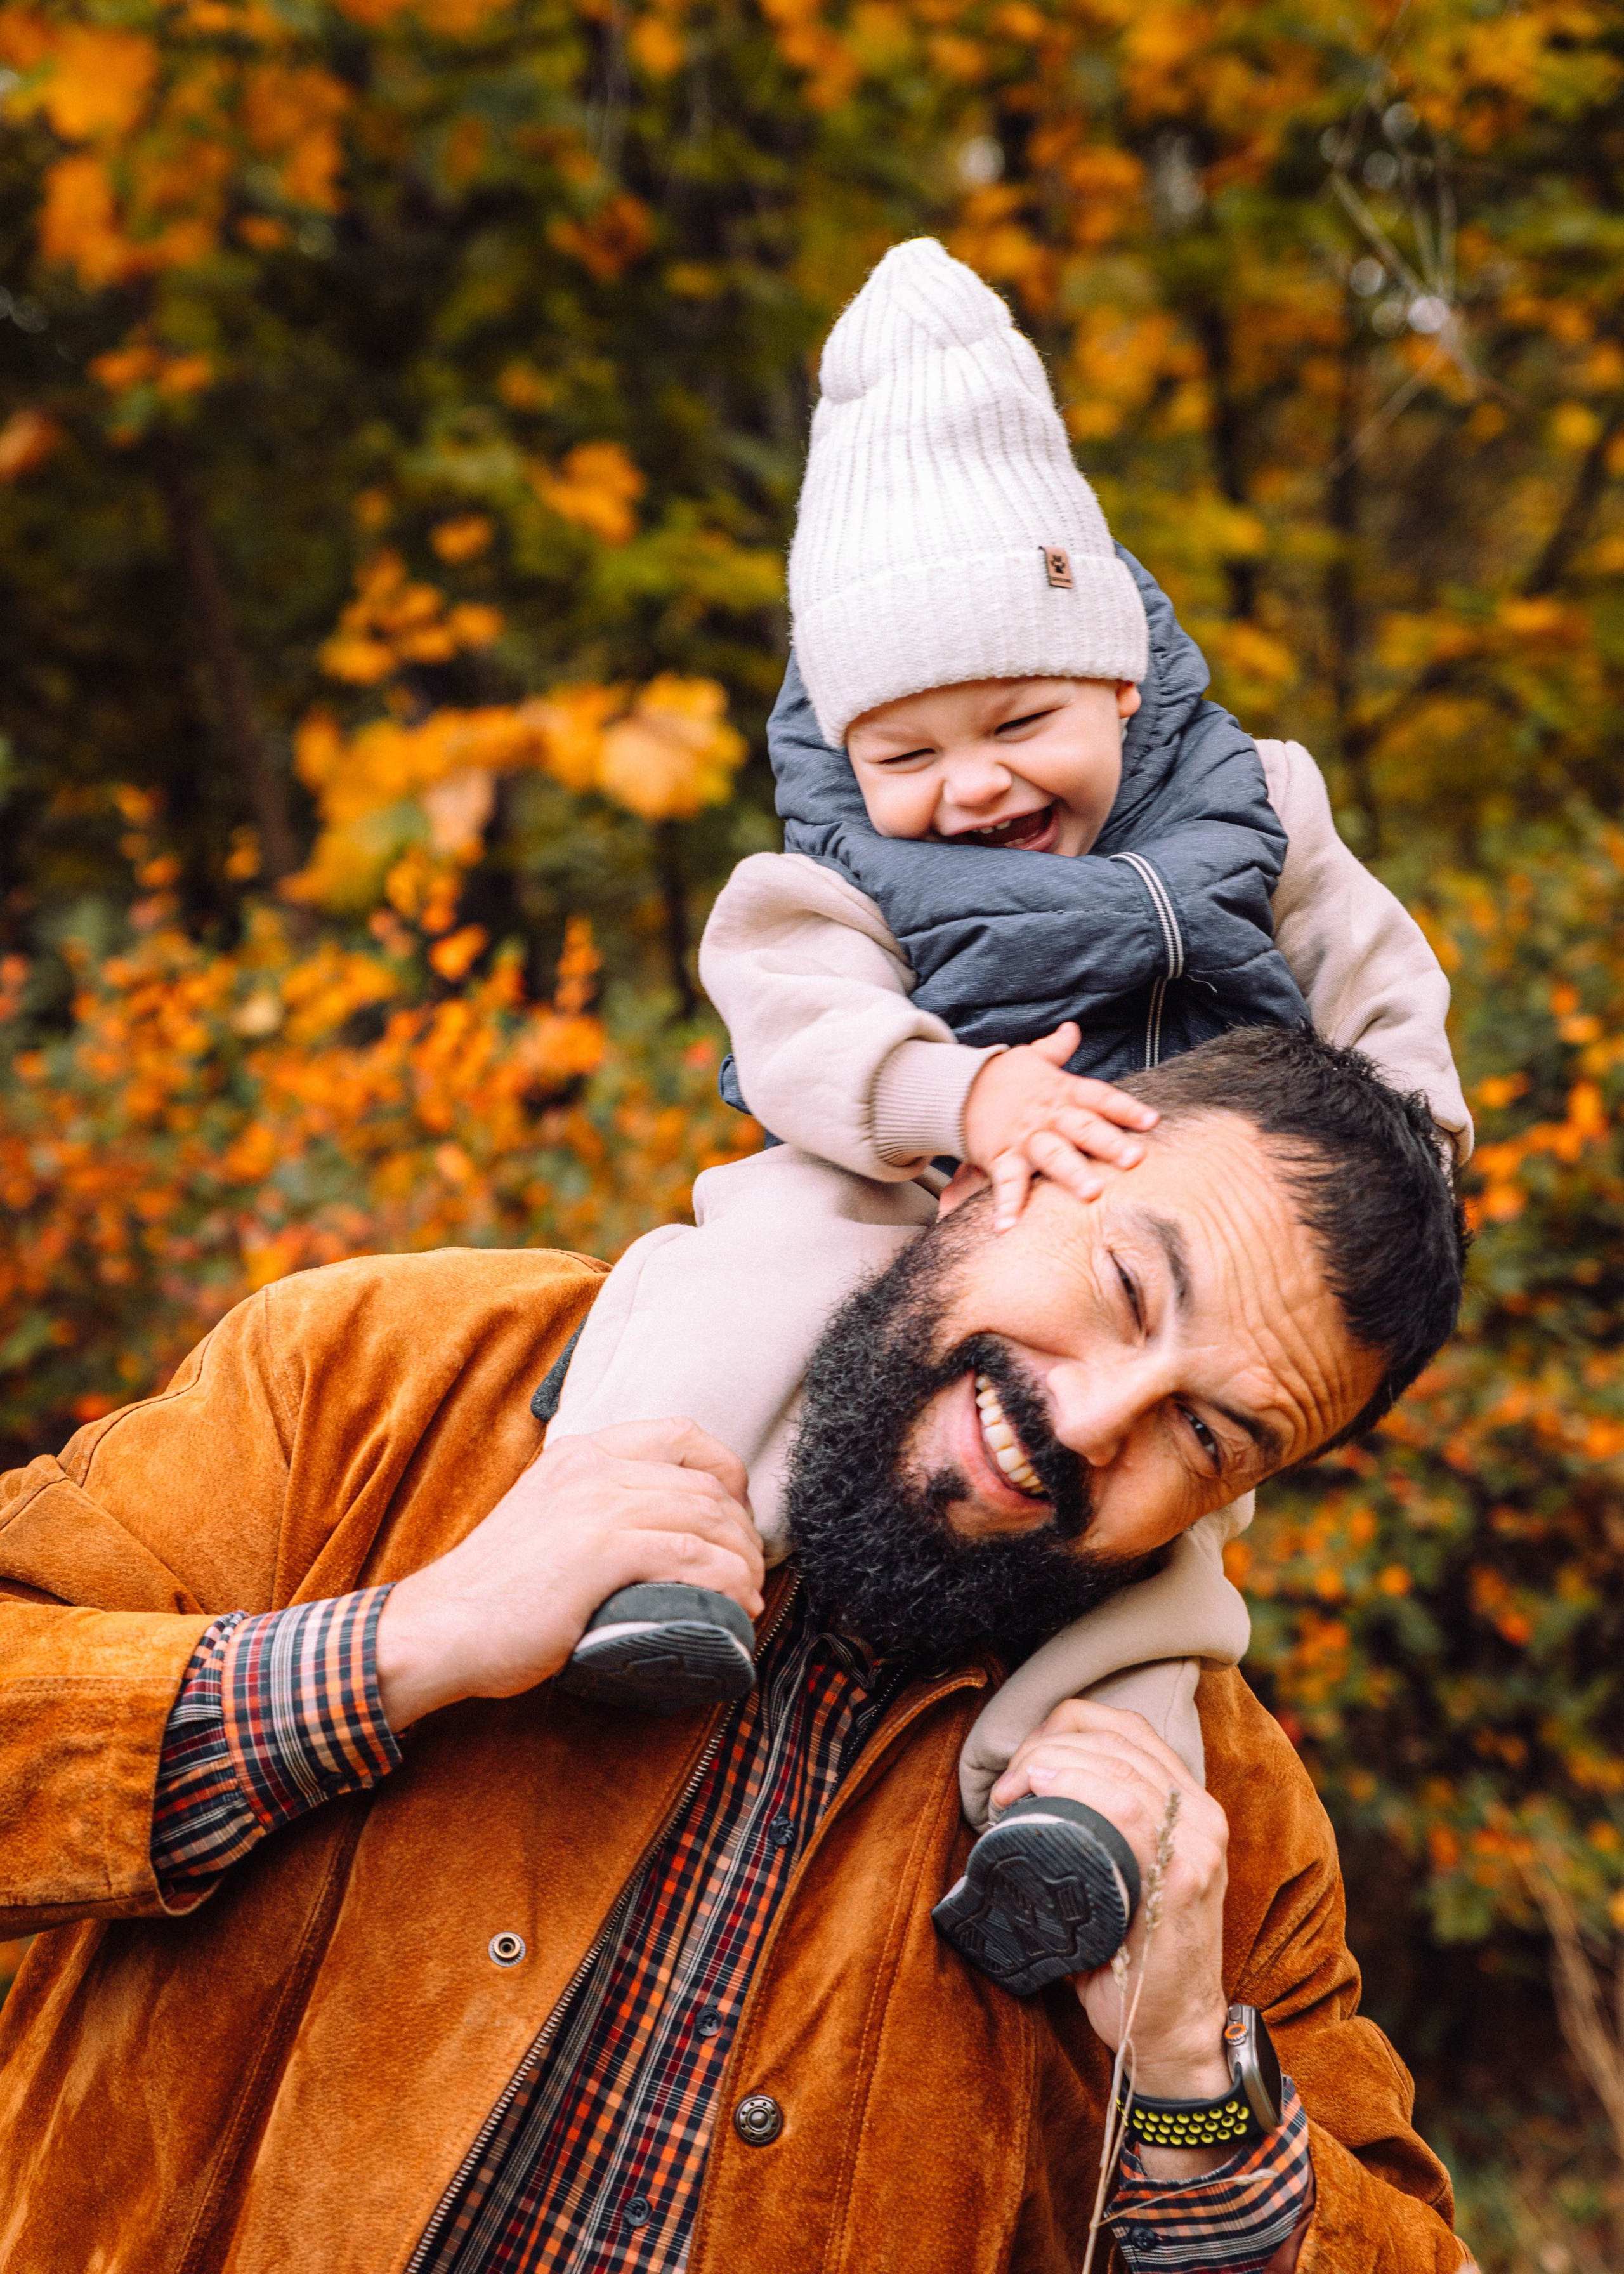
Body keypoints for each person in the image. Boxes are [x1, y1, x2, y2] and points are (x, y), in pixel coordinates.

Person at [0, 1026, 1469, 2274]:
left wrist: (1186, 2070)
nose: (1089, 1421)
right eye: (1127, 1291)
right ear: (987, 1173)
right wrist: (406, 1638)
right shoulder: (383, 1369)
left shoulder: (1212, 1821)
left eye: (1204, 1432)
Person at [549, 236, 1470, 1990]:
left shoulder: (1259, 805)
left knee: (1168, 1534)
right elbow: (788, 1008)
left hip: (1183, 1240)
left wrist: (1403, 1170)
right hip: (911, 1183)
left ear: (1118, 682)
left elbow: (1378, 985)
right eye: (906, 754)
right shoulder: (837, 864)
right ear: (846, 748)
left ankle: (1090, 1813)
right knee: (733, 1277)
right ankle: (642, 1556)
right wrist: (956, 1094)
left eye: (1020, 722)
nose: (969, 788)